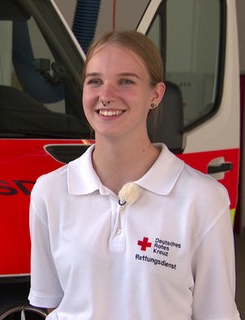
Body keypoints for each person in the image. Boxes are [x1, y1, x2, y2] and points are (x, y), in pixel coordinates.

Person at [28, 30, 241, 319]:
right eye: (95, 82)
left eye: (126, 81)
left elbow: (216, 313)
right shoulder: (50, 191)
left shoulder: (203, 199)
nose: (106, 95)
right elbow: (54, 303)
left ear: (156, 94)